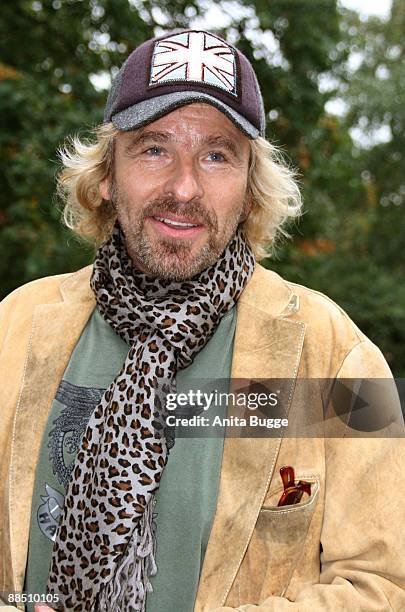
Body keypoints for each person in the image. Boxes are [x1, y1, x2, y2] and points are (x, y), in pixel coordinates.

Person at [0, 28, 404, 612]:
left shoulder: (338, 354)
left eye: (217, 155)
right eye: (154, 148)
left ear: (249, 189)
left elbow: (386, 584)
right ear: (109, 174)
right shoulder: (13, 328)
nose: (184, 188)